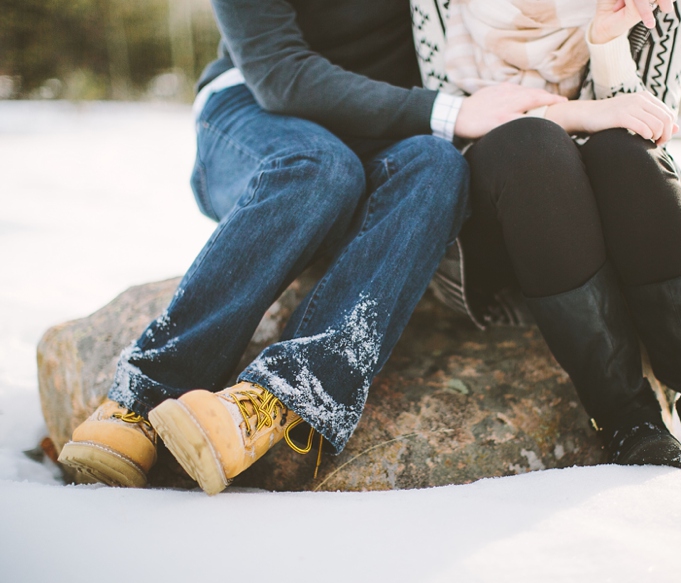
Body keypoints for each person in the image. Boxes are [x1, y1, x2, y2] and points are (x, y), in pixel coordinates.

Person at [57, 0, 567, 495]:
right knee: (320, 167)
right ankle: (143, 399)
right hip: (255, 106)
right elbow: (281, 75)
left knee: (437, 167)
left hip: (386, 119)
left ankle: (273, 401)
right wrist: (451, 110)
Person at [421, 0, 681, 487]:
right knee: (533, 147)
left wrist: (606, 44)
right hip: (502, 211)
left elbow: (649, 124)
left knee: (629, 155)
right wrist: (582, 113)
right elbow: (451, 118)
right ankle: (627, 418)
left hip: (609, 212)